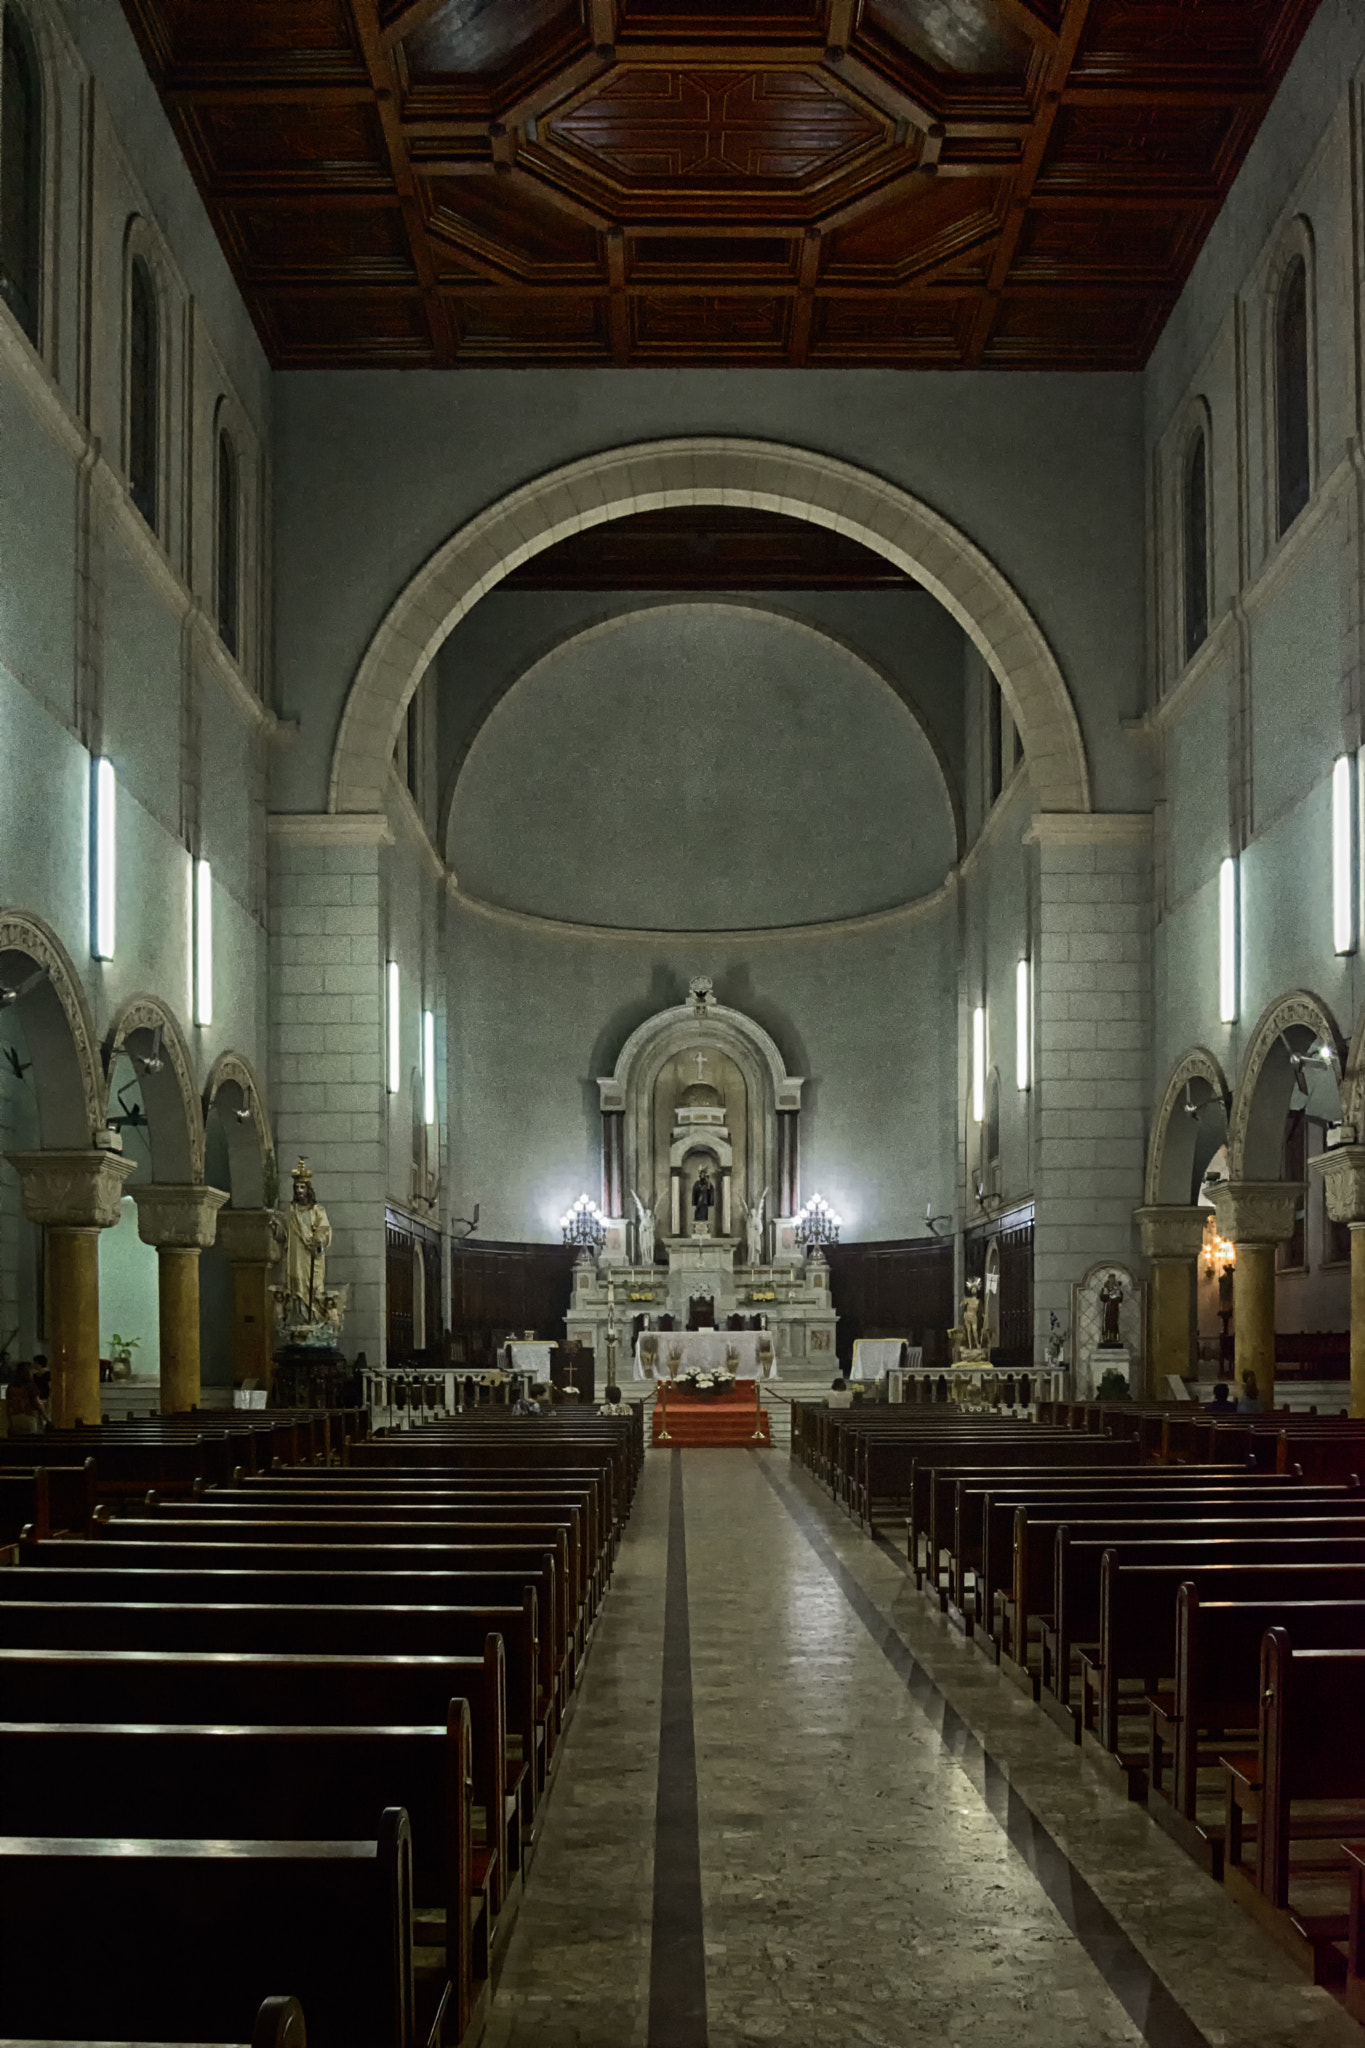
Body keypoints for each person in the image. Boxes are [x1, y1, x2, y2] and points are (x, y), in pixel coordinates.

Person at [5, 1362, 48, 1434]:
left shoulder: (11, 1386)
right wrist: (46, 1418)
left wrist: (9, 1420)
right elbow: (37, 1403)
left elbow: (8, 1404)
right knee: (30, 1440)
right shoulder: (31, 1386)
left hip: (14, 1418)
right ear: (28, 1372)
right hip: (29, 1416)